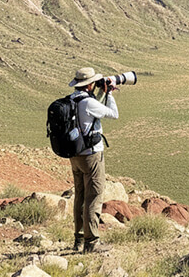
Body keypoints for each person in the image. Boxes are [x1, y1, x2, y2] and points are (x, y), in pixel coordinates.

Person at [68, 67, 118, 253]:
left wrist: (100, 92)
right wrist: (110, 94)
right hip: (91, 156)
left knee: (80, 195)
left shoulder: (73, 99)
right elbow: (113, 114)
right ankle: (92, 243)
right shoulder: (88, 102)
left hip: (75, 155)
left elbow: (91, 108)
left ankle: (78, 239)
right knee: (94, 197)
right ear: (89, 84)